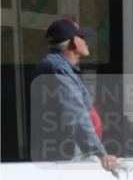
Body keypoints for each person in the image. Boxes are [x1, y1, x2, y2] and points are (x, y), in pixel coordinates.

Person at [31, 17, 118, 171]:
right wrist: (101, 154)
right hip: (65, 161)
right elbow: (76, 116)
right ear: (74, 42)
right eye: (82, 37)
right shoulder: (59, 70)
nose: (85, 42)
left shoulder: (59, 67)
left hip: (64, 157)